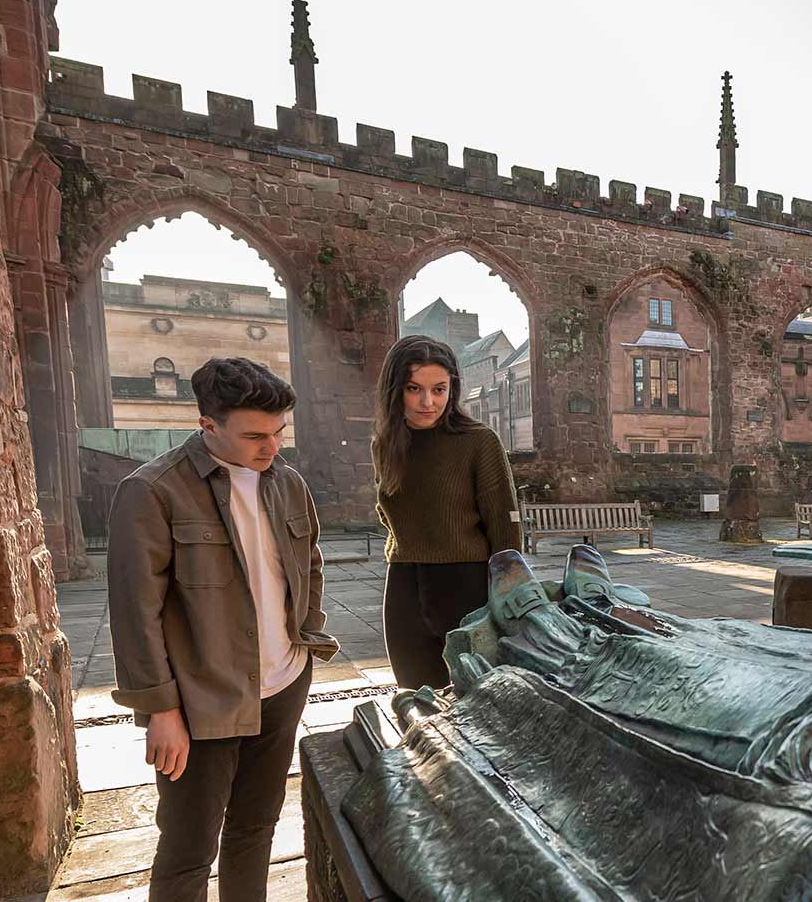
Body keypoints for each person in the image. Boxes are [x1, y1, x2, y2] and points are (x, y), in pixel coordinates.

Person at [107, 357, 338, 902]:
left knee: (255, 831)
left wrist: (307, 636)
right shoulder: (152, 491)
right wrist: (161, 711)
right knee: (188, 851)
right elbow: (134, 612)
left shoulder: (288, 484)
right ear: (207, 423)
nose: (271, 447)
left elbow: (309, 565)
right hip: (199, 701)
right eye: (255, 435)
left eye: (279, 432)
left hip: (283, 687)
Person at [373, 334, 521, 691]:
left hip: (466, 586)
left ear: (452, 389)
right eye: (414, 388)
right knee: (416, 700)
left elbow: (504, 526)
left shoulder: (478, 441)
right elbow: (390, 515)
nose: (428, 401)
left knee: (475, 704)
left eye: (439, 389)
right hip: (404, 586)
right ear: (396, 390)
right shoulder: (386, 444)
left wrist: (508, 596)